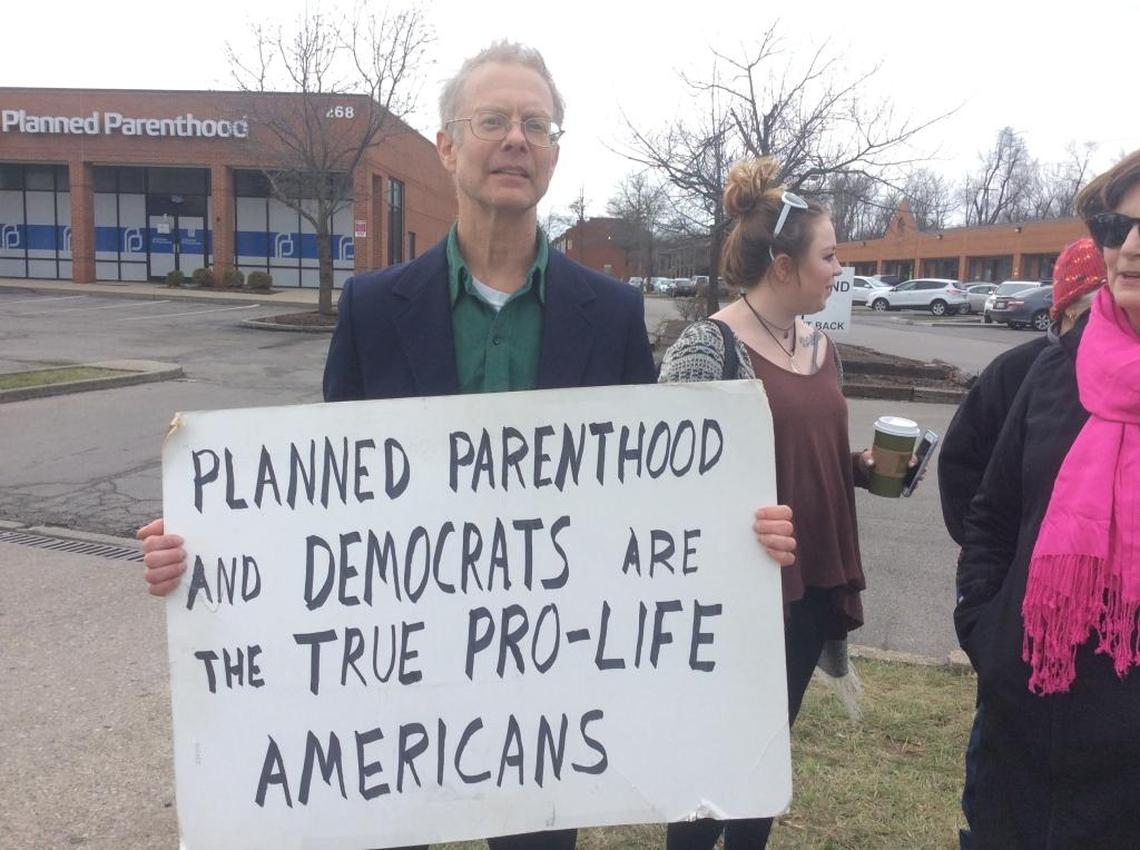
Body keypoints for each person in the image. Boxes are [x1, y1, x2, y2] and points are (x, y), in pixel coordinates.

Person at [139, 42, 798, 850]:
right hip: (397, 700)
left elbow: (649, 501)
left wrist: (739, 537)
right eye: (492, 120)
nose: (516, 139)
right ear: (447, 146)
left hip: (547, 707)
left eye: (537, 123)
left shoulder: (613, 313)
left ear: (555, 154)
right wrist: (202, 550)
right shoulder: (374, 308)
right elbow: (323, 506)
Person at [658, 156, 871, 850]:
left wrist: (858, 470)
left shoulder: (822, 346)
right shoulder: (707, 346)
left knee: (766, 749)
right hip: (735, 595)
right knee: (709, 756)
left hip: (812, 584)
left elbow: (799, 456)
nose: (839, 268)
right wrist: (732, 531)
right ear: (784, 265)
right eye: (829, 255)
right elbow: (665, 486)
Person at [954, 149, 1140, 849]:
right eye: (1114, 225)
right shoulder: (1054, 374)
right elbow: (992, 516)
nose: (1128, 246)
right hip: (1025, 738)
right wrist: (987, 628)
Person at [938, 238, 1106, 849]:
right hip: (1023, 642)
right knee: (998, 792)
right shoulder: (1025, 373)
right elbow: (969, 483)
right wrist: (991, 610)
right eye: (1084, 306)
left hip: (1112, 686)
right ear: (1060, 310)